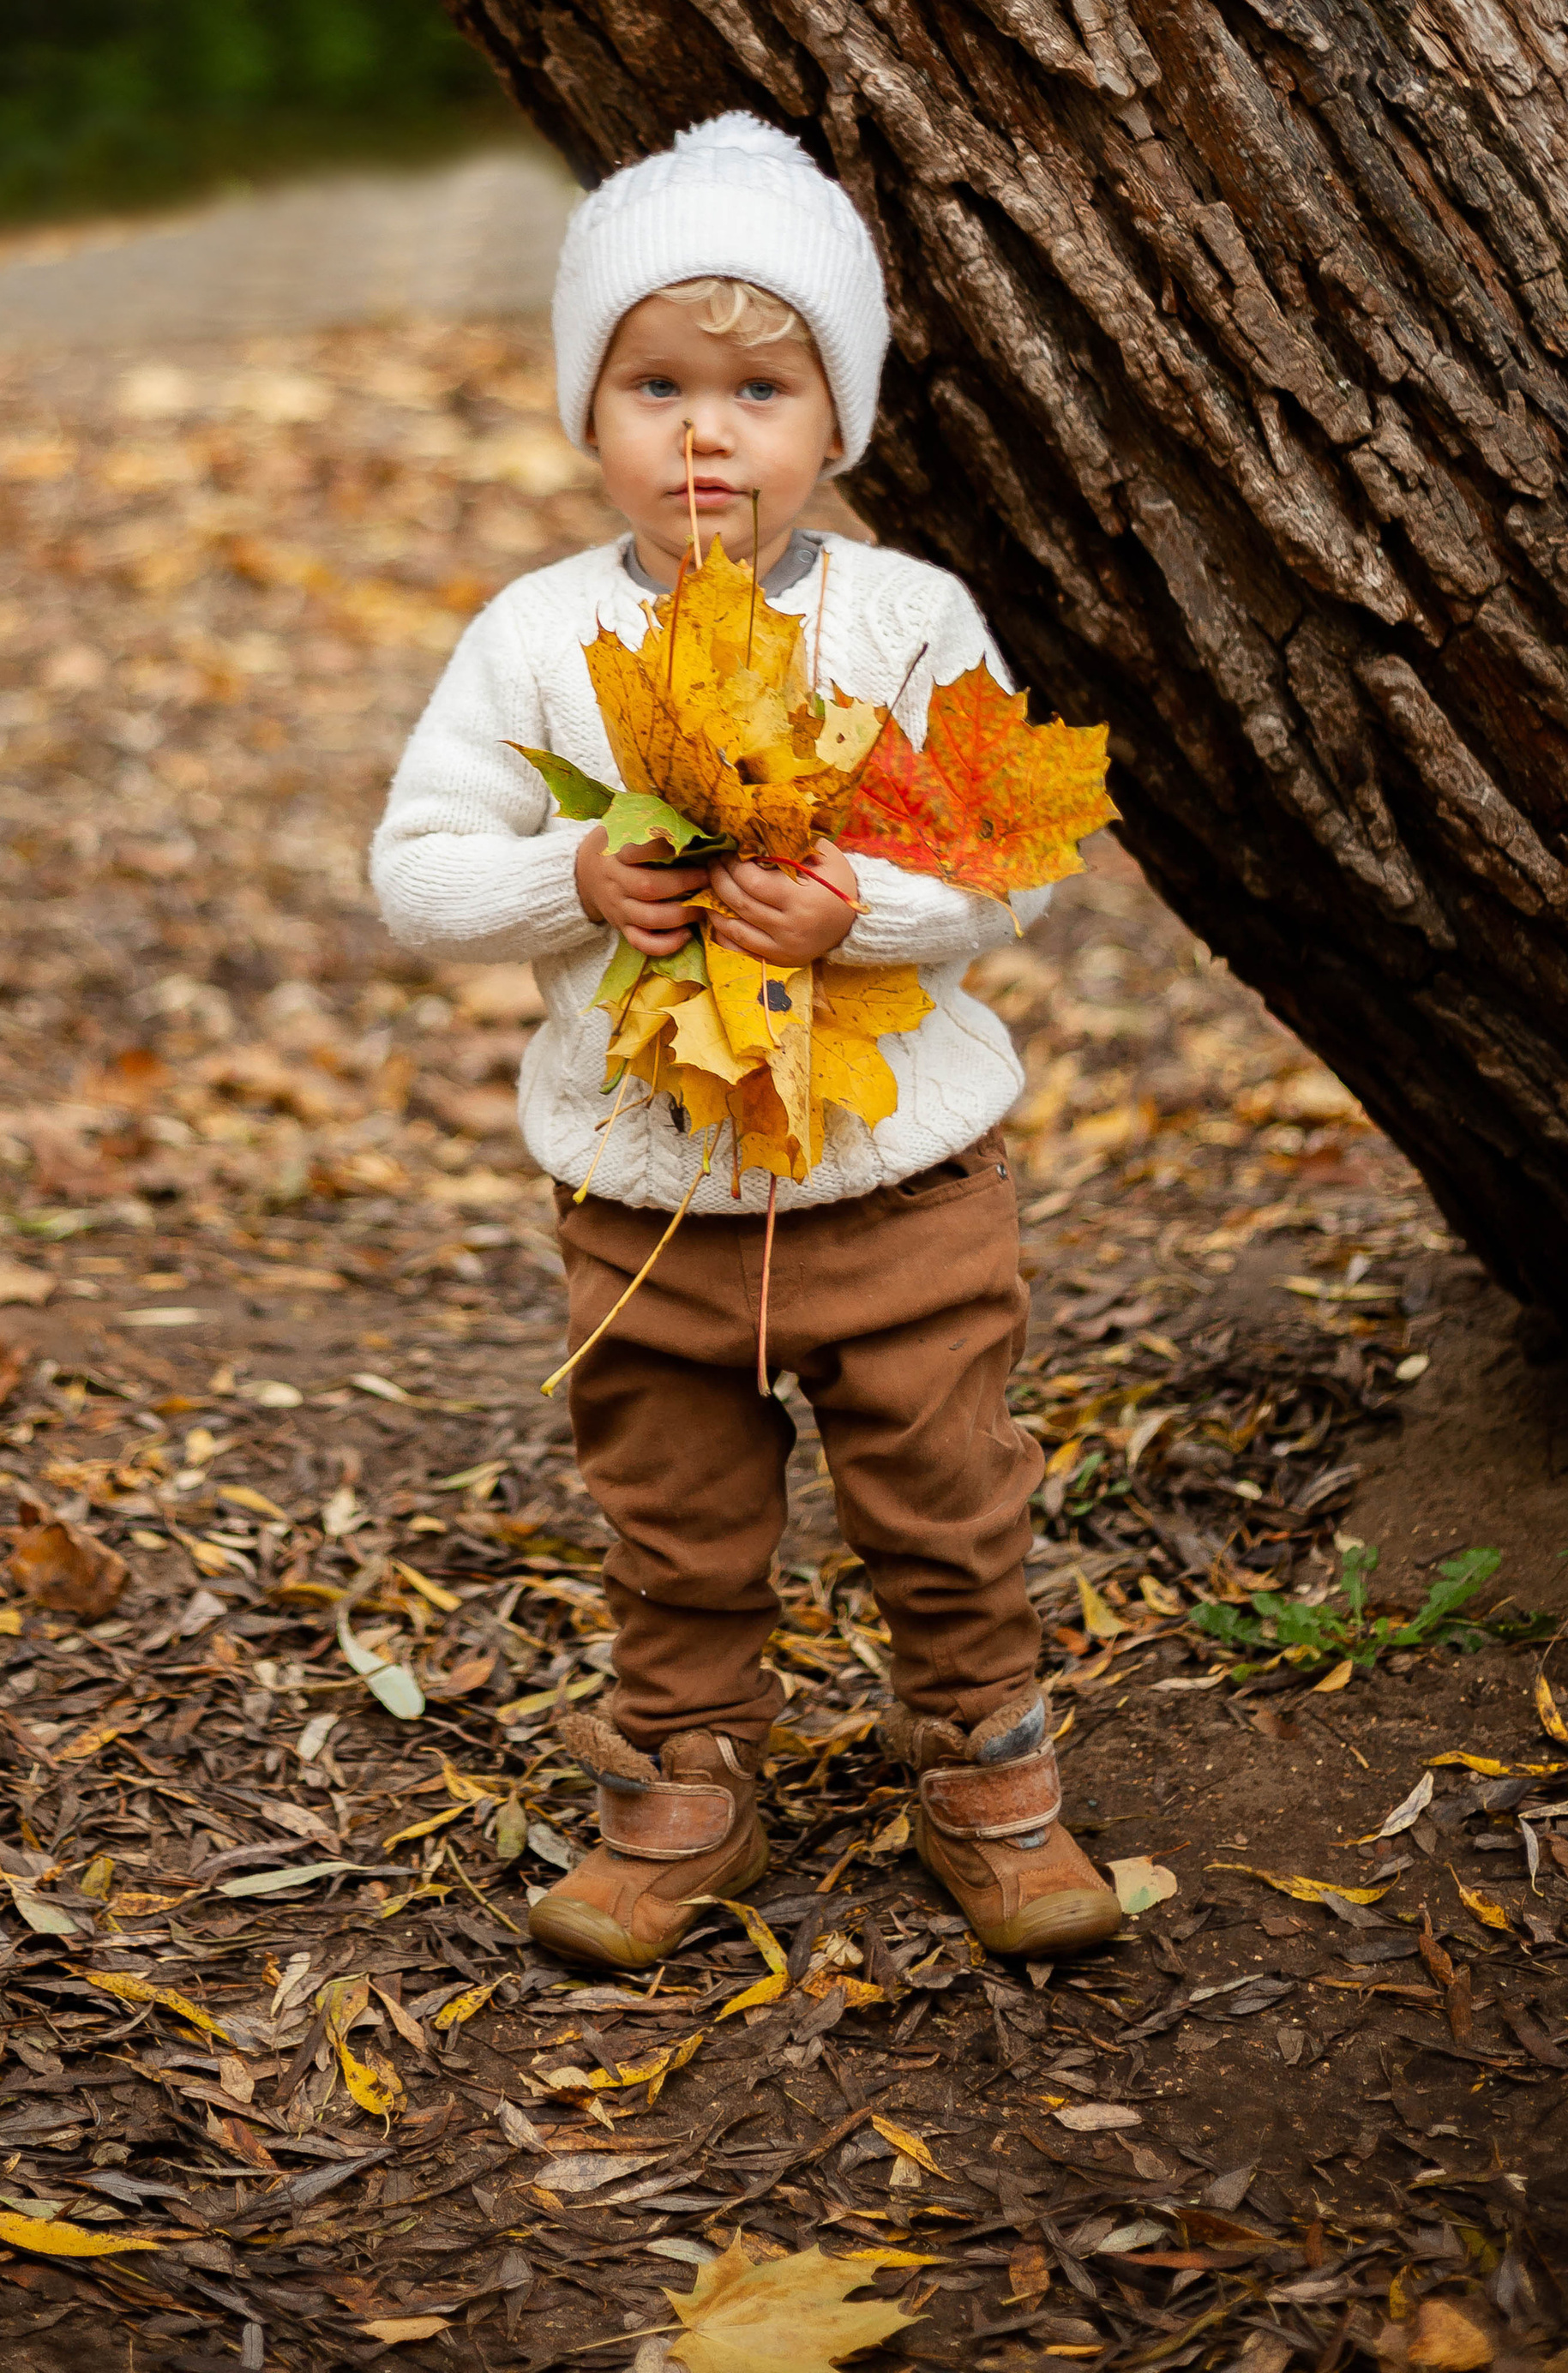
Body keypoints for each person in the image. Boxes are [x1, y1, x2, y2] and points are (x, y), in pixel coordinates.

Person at [370, 112, 1119, 1969]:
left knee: (948, 1495)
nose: (704, 430)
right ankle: (684, 1776)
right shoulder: (537, 638)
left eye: (759, 384)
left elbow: (1006, 866)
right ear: (585, 410)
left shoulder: (904, 618)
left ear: (835, 422)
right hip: (644, 1206)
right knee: (672, 1519)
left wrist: (865, 908)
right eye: (653, 383)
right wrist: (576, 873)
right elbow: (417, 876)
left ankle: (981, 1763)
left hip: (896, 1186)